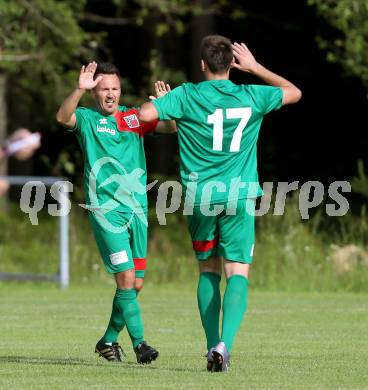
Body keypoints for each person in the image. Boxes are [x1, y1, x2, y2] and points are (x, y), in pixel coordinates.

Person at [139, 35, 302, 372]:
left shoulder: (187, 95)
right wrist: (255, 67)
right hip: (239, 195)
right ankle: (224, 346)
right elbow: (293, 91)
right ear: (231, 63)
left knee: (208, 269)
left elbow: (144, 114)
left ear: (202, 64)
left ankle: (212, 344)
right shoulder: (251, 95)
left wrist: (170, 104)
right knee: (237, 270)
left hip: (200, 197)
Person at [56, 61, 167, 364]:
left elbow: (170, 127)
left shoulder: (133, 118)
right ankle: (141, 344)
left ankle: (107, 341)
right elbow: (63, 116)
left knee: (136, 283)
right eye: (104, 89)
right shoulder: (89, 120)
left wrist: (164, 108)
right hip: (107, 213)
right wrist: (79, 87)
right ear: (95, 93)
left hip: (137, 211)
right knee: (126, 278)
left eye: (114, 88)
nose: (110, 94)